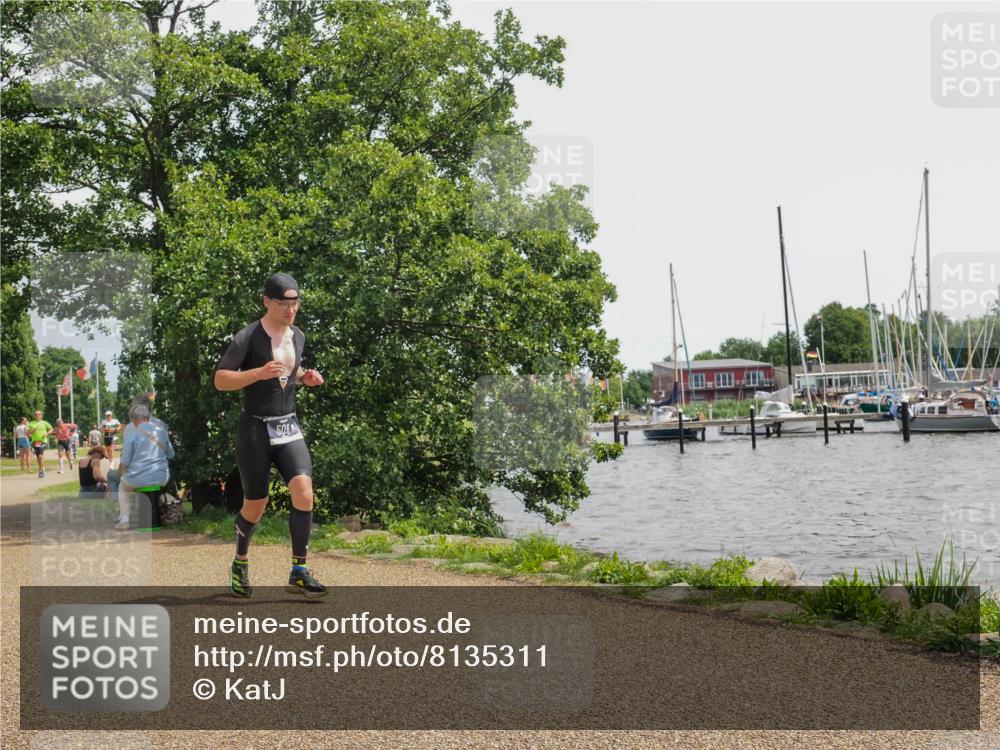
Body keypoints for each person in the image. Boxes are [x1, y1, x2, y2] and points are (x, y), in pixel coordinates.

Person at [214, 272, 327, 598]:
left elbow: (290, 373)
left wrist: (306, 378)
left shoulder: (298, 336)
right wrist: (258, 373)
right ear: (266, 301)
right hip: (255, 430)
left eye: (295, 303)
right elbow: (221, 380)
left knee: (304, 492)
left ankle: (299, 570)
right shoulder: (247, 337)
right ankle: (240, 561)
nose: (291, 309)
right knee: (256, 505)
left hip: (287, 426)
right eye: (284, 303)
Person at [107, 403, 174, 530]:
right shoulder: (161, 432)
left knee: (123, 486)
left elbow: (125, 462)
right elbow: (171, 454)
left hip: (139, 478)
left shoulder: (132, 434)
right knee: (137, 483)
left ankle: (125, 520)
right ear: (147, 417)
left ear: (133, 419)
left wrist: (121, 475)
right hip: (162, 476)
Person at [26, 410, 54, 478]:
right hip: (35, 442)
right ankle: (41, 468)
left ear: (41, 415)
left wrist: (47, 434)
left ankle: (41, 471)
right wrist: (33, 431)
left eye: (39, 414)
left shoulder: (45, 423)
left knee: (40, 456)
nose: (37, 415)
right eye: (36, 414)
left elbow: (51, 429)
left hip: (43, 441)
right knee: (38, 457)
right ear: (34, 415)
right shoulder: (31, 423)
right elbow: (27, 433)